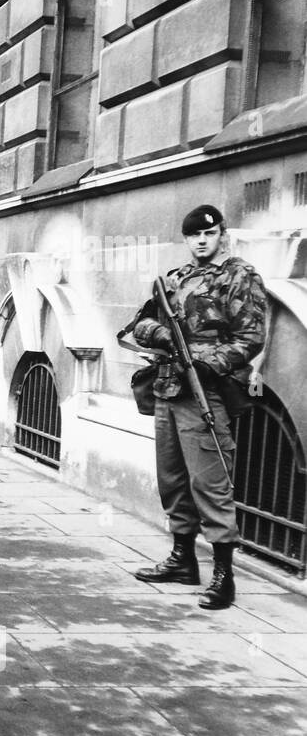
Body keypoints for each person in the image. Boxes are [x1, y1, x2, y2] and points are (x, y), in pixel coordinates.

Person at [126, 204, 268, 610]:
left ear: (222, 234)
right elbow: (140, 323)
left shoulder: (239, 275)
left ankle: (224, 575)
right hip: (169, 389)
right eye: (194, 235)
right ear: (186, 239)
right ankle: (182, 560)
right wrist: (161, 334)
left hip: (208, 393)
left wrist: (209, 364)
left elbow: (250, 338)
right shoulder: (174, 279)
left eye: (209, 233)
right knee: (172, 478)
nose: (201, 241)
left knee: (210, 482)